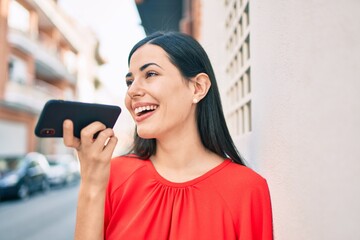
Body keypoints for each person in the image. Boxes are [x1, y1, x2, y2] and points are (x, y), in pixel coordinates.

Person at [63, 31, 273, 240]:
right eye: (130, 81)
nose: (132, 91)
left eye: (150, 74)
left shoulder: (247, 190)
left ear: (198, 88)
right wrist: (91, 184)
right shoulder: (112, 175)